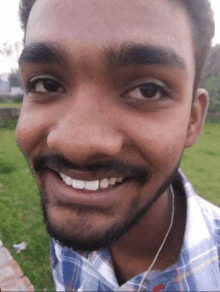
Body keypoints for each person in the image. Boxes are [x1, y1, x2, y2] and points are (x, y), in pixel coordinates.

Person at [17, 0, 219, 290]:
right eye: (46, 84)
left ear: (192, 120)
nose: (76, 146)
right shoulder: (71, 222)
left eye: (147, 91)